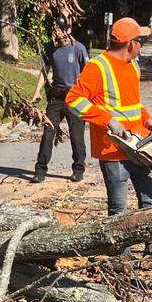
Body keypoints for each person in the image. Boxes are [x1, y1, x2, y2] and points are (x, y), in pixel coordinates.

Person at [66, 16, 152, 256]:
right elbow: (73, 100)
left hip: (138, 144)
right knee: (119, 207)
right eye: (140, 40)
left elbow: (132, 103)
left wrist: (147, 118)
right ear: (131, 44)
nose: (142, 44)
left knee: (149, 194)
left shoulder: (133, 66)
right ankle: (121, 256)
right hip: (113, 149)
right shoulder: (98, 67)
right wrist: (107, 120)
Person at [31, 18, 90, 184]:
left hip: (75, 98)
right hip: (56, 98)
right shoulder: (50, 48)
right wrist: (37, 91)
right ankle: (40, 170)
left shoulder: (78, 48)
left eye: (65, 28)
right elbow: (44, 70)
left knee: (76, 135)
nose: (61, 31)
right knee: (48, 132)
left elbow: (88, 74)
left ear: (69, 29)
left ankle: (78, 169)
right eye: (58, 28)